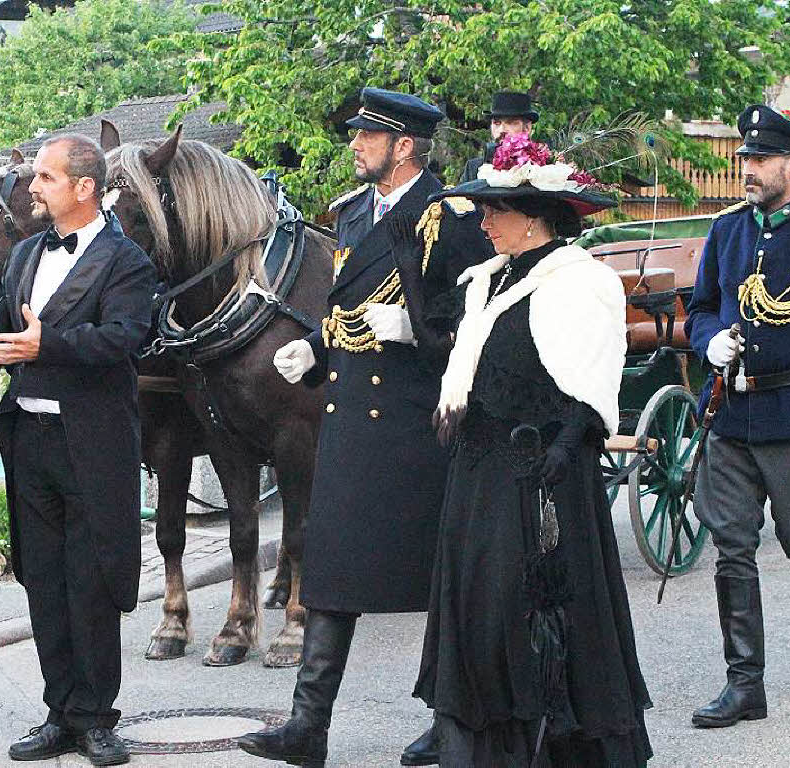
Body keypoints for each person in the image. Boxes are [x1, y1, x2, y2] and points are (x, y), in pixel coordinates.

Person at [236, 87, 491, 768]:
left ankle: (452, 723)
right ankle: (306, 727)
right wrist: (316, 351)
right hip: (351, 421)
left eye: (366, 136)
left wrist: (414, 330)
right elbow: (347, 311)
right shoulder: (353, 218)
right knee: (330, 570)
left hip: (417, 425)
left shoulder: (451, 219)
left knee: (444, 581)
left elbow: (482, 325)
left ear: (402, 146)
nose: (354, 145)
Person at [414, 133, 653, 766]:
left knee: (537, 616)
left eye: (496, 210)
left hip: (541, 476)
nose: (485, 220)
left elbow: (594, 380)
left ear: (534, 219)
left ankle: (553, 749)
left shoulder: (580, 282)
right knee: (480, 612)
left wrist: (564, 449)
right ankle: (482, 746)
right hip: (479, 472)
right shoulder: (486, 283)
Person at [0, 134, 156, 765]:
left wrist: (50, 348)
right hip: (30, 440)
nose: (32, 187)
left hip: (91, 443)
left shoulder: (128, 264)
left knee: (90, 582)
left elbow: (126, 339)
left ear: (83, 188)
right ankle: (59, 711)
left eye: (44, 177)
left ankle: (96, 718)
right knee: (43, 580)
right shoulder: (27, 253)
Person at [685, 104, 790, 728]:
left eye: (758, 161)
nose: (747, 170)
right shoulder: (728, 229)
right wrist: (708, 343)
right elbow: (701, 306)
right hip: (731, 411)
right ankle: (744, 682)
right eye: (744, 160)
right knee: (732, 546)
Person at [460, 92, 540, 183]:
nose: (502, 130)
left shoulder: (542, 167)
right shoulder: (473, 168)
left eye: (510, 123)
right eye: (497, 123)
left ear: (527, 128)